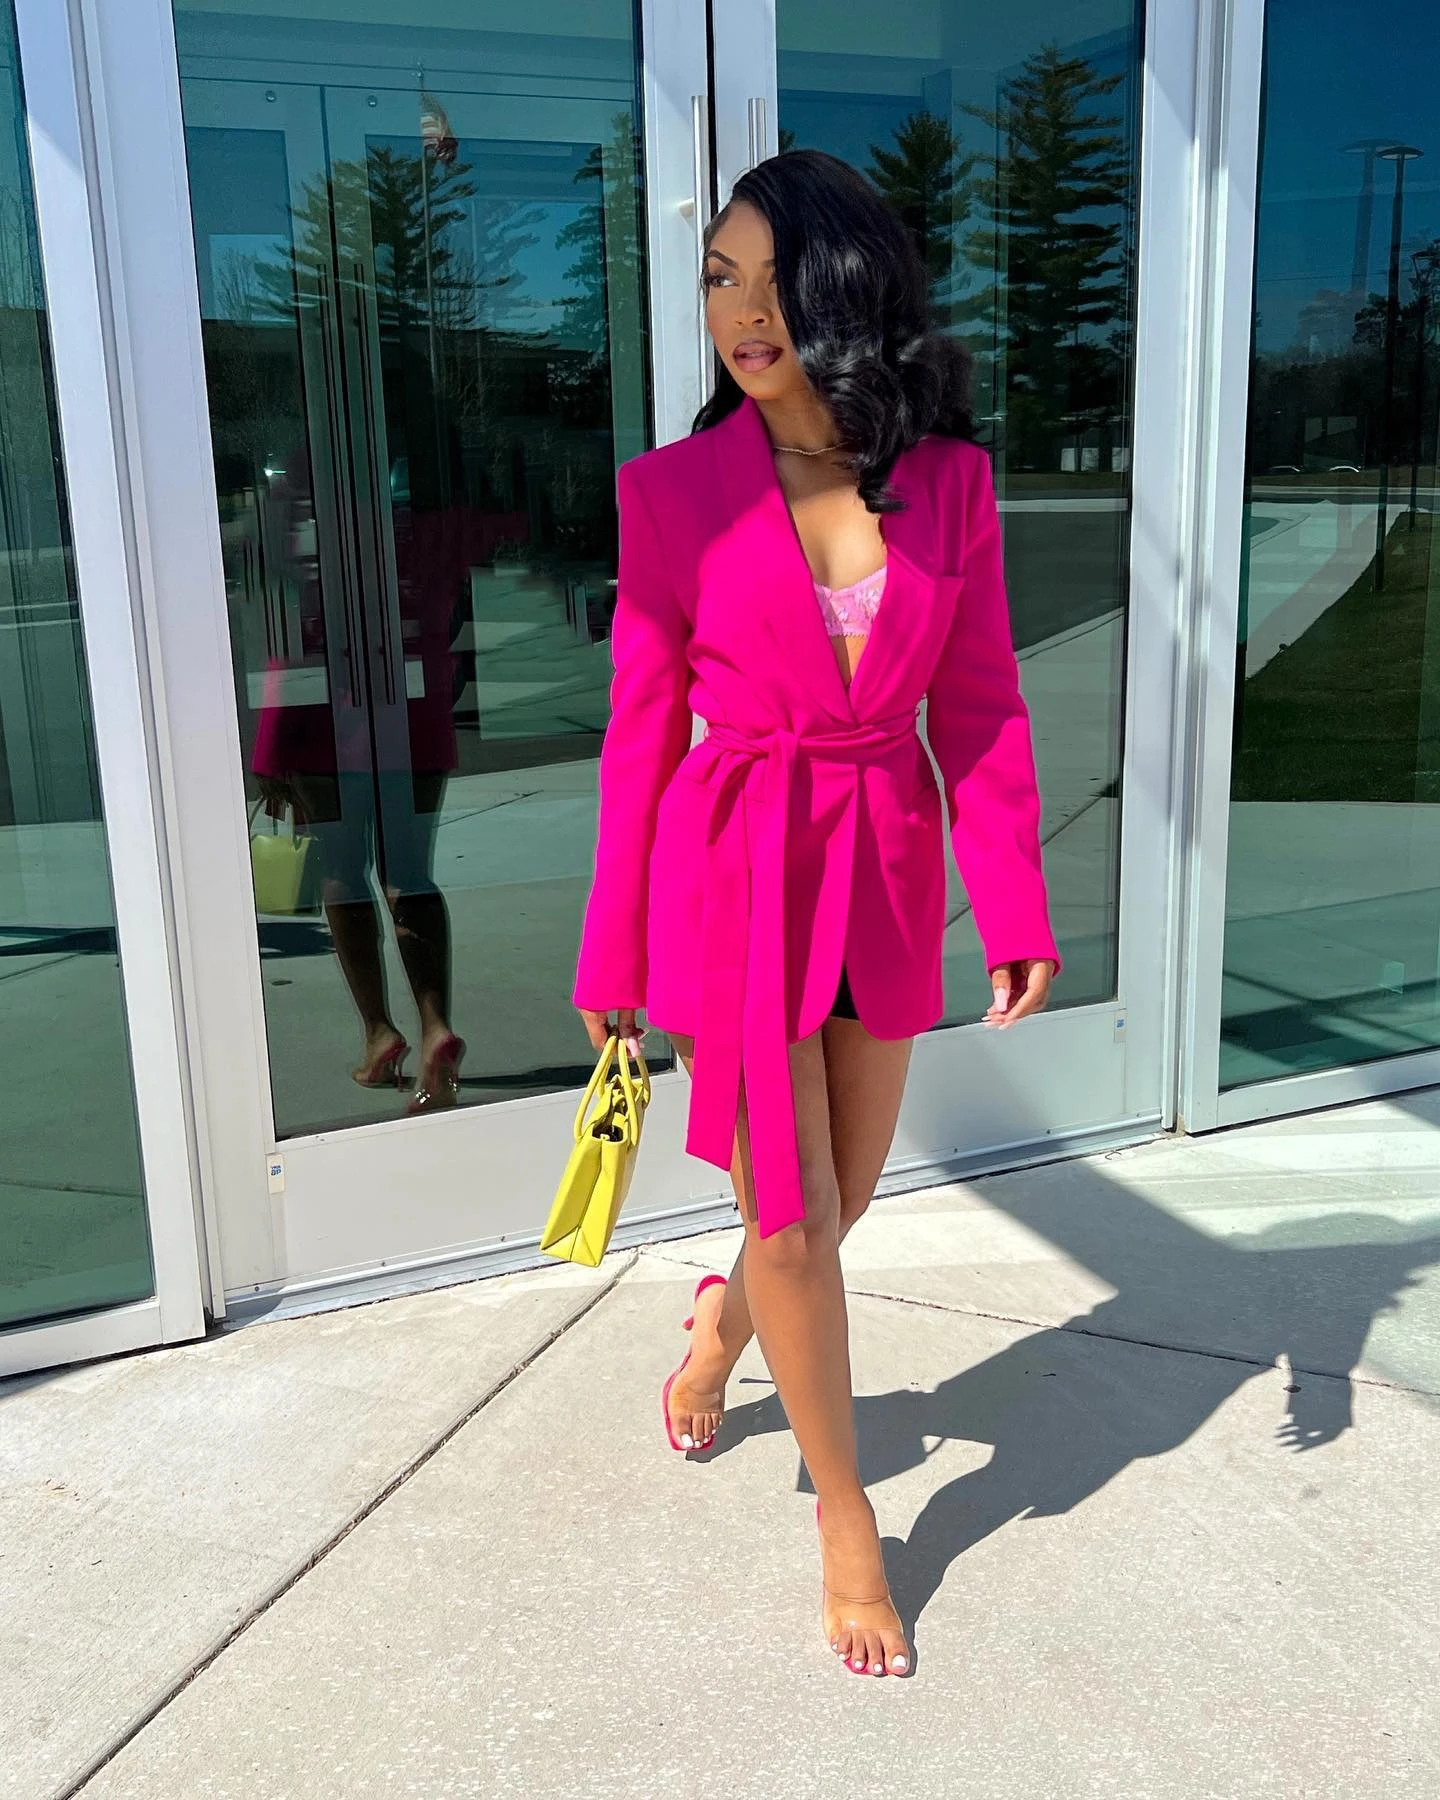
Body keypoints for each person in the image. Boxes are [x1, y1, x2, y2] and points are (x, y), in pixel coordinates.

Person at [572, 149, 1061, 1679]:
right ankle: (851, 1519)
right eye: (719, 277)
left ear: (847, 289)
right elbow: (639, 733)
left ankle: (718, 1330)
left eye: (773, 279)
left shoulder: (949, 483)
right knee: (786, 1213)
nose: (741, 310)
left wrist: (1014, 901)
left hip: (886, 863)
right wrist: (613, 949)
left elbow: (979, 706)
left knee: (834, 1206)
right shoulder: (670, 494)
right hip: (739, 868)